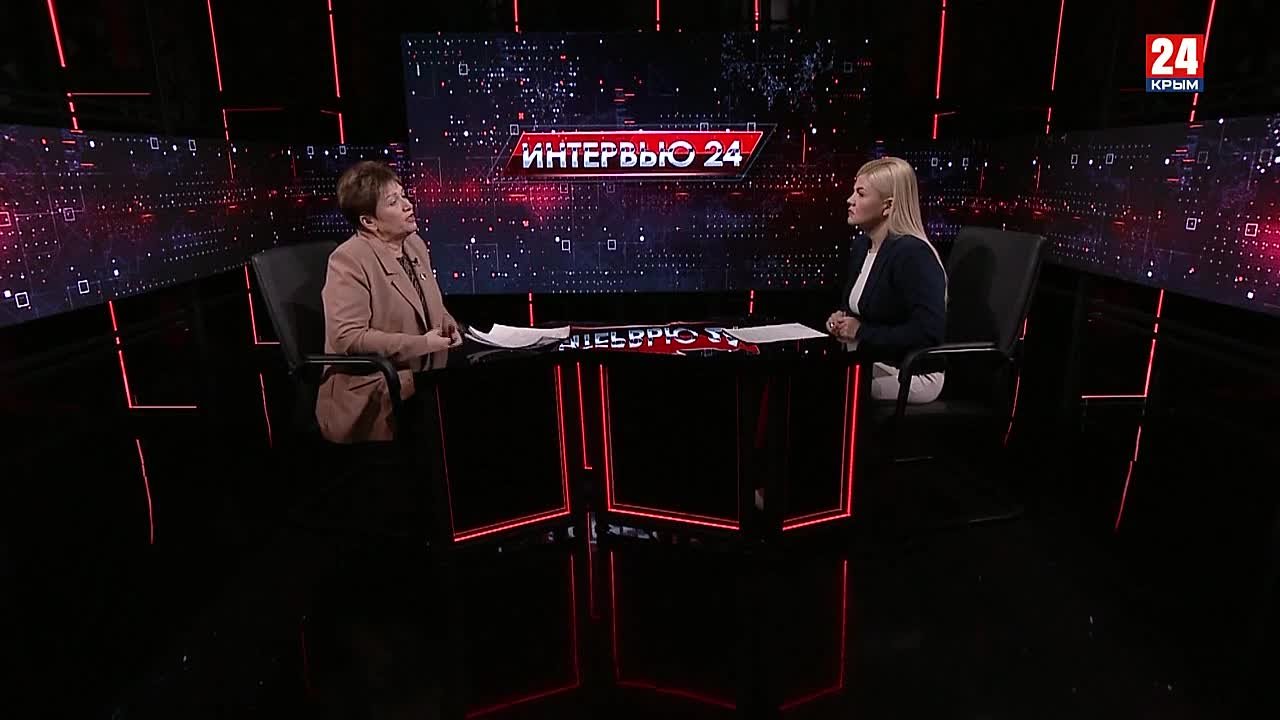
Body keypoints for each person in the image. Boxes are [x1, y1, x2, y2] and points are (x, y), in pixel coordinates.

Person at [316, 160, 462, 443]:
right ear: (369, 222)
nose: (408, 205)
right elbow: (348, 338)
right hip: (375, 391)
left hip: (425, 378)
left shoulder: (414, 244)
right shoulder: (348, 260)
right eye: (394, 202)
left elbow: (430, 303)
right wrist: (422, 344)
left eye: (404, 195)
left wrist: (447, 323)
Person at [826, 156, 947, 404]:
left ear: (888, 206)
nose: (850, 200)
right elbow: (861, 309)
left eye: (860, 194)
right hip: (872, 360)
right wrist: (840, 319)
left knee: (836, 388)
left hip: (913, 372)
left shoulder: (913, 254)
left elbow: (927, 333)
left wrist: (861, 331)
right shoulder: (862, 246)